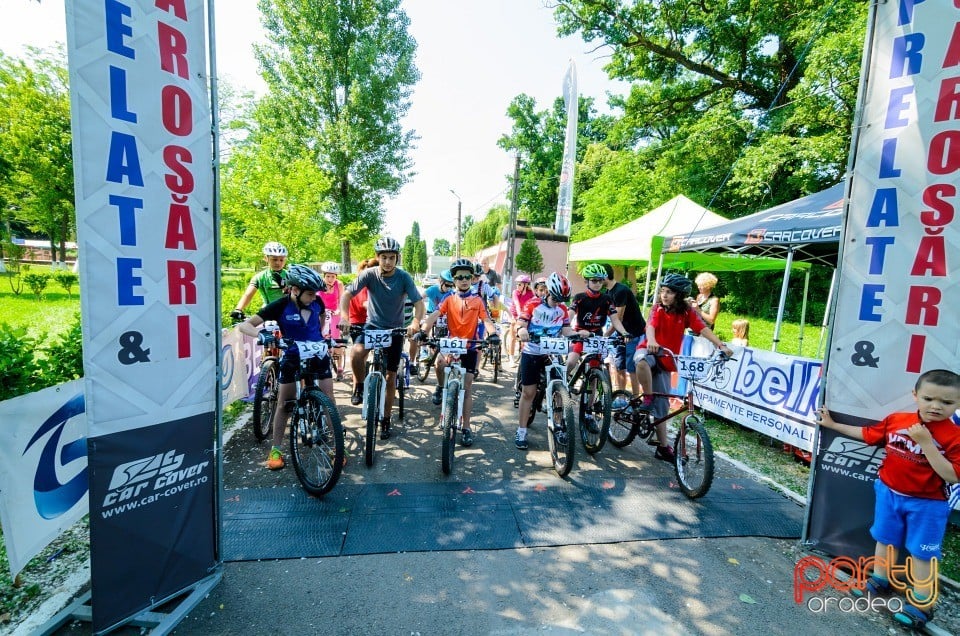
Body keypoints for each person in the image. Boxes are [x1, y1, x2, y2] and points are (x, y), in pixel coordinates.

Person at [817, 370, 960, 629]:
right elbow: (870, 435)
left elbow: (952, 476)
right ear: (915, 395)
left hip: (928, 504)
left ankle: (922, 603)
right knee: (885, 539)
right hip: (889, 493)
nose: (936, 406)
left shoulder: (955, 437)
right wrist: (833, 425)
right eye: (929, 398)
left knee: (921, 553)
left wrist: (926, 443)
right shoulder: (897, 420)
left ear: (958, 403)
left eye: (947, 402)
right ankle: (880, 580)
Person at [237, 264, 333, 470]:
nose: (314, 297)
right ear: (295, 290)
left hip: (317, 353)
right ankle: (276, 449)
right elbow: (245, 325)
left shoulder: (317, 301)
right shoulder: (280, 305)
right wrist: (262, 335)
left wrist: (321, 335)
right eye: (309, 294)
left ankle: (335, 448)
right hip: (292, 355)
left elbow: (322, 317)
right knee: (284, 403)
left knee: (329, 401)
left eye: (315, 293)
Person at [634, 273, 732, 461]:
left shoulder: (687, 312)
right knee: (642, 360)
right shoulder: (657, 309)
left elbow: (702, 328)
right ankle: (647, 398)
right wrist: (652, 341)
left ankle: (663, 448)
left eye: (669, 292)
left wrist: (721, 345)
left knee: (662, 408)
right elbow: (650, 327)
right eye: (663, 291)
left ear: (679, 295)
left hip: (666, 360)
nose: (664, 295)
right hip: (650, 351)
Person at [339, 237, 425, 439]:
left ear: (397, 258)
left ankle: (386, 419)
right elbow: (347, 295)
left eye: (392, 257)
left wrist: (415, 322)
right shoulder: (369, 275)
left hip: (394, 330)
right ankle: (359, 385)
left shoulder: (403, 277)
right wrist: (345, 317)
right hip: (373, 326)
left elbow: (419, 303)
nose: (388, 261)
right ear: (378, 257)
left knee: (390, 376)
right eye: (384, 257)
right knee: (357, 353)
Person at [419, 258, 499, 446]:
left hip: (470, 346)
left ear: (472, 279)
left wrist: (493, 333)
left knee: (467, 387)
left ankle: (467, 427)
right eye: (459, 277)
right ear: (453, 280)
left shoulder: (478, 300)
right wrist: (423, 331)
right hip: (451, 343)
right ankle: (440, 387)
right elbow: (434, 315)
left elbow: (486, 320)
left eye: (467, 277)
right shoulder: (448, 299)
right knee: (439, 364)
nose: (463, 280)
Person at [514, 272, 578, 450]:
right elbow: (521, 322)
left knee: (560, 390)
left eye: (562, 299)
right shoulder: (533, 303)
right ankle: (521, 430)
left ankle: (558, 426)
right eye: (557, 298)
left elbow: (566, 331)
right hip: (533, 351)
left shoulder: (563, 309)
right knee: (528, 393)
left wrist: (578, 335)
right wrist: (522, 331)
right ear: (549, 291)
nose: (559, 302)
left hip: (552, 353)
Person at [566, 262, 631, 379]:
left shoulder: (607, 299)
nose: (598, 284)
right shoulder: (579, 298)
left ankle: (592, 394)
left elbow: (615, 320)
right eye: (594, 281)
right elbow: (568, 316)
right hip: (580, 334)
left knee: (595, 370)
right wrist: (567, 330)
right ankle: (561, 386)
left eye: (600, 281)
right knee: (571, 362)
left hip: (597, 336)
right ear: (586, 281)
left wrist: (624, 332)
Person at [602, 264, 646, 401]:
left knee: (632, 368)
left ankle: (635, 399)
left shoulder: (621, 290)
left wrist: (605, 335)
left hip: (633, 332)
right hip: (620, 334)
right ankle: (621, 398)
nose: (595, 281)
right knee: (619, 365)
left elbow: (618, 318)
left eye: (598, 278)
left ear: (605, 276)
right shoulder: (607, 293)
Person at [230, 242, 289, 321]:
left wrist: (286, 287)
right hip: (267, 312)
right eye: (274, 259)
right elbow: (248, 295)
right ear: (266, 258)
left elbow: (298, 294)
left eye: (281, 260)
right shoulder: (260, 277)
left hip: (288, 313)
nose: (278, 263)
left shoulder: (290, 275)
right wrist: (238, 309)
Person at [346, 257, 378, 398]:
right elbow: (365, 303)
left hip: (375, 323)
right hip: (359, 322)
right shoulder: (360, 285)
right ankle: (357, 388)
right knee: (360, 355)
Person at [318, 261, 346, 381]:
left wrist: (339, 310)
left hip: (335, 313)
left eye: (333, 276)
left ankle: (339, 367)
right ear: (324, 276)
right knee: (320, 337)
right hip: (322, 313)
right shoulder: (318, 285)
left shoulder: (338, 284)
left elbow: (343, 299)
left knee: (336, 339)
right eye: (328, 276)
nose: (330, 279)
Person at [509, 274, 534, 363]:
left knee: (527, 335)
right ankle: (511, 358)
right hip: (516, 314)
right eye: (517, 284)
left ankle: (525, 354)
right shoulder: (515, 292)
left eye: (520, 284)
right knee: (513, 336)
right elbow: (517, 305)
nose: (517, 286)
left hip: (526, 316)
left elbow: (534, 305)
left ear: (526, 285)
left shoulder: (531, 294)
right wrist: (520, 316)